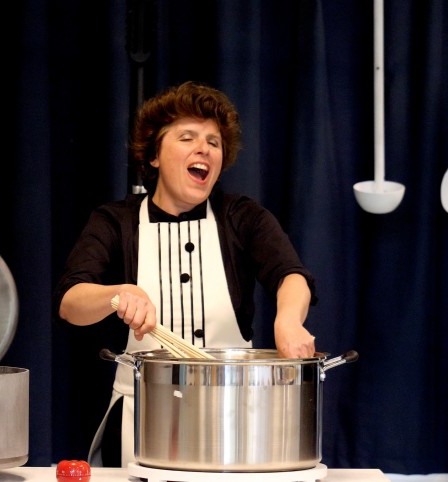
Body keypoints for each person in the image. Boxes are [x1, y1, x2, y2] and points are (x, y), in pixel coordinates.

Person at [53, 81, 318, 467]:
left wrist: (289, 320)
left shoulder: (240, 216)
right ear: (154, 154)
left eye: (213, 141)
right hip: (138, 422)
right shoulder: (116, 222)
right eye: (188, 137)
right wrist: (118, 294)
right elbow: (70, 301)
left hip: (235, 421)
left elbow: (290, 275)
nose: (204, 148)